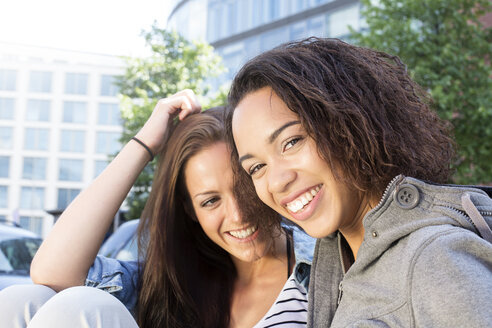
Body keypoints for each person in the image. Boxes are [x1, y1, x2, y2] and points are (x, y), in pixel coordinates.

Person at [226, 38, 492, 327]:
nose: (277, 182)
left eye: (291, 142)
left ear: (347, 123)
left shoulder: (435, 260)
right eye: (257, 167)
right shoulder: (335, 264)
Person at [0, 90, 315, 328]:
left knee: (79, 305)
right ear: (190, 211)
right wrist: (145, 145)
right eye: (210, 201)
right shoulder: (175, 279)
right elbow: (52, 272)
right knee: (22, 300)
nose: (238, 215)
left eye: (245, 186)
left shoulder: (322, 269)